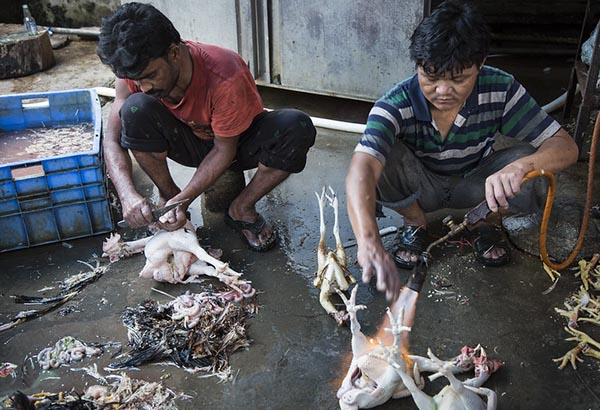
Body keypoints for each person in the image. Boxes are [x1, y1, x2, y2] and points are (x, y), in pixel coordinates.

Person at [345, 0, 579, 301]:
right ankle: (415, 222)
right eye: (430, 77)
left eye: (458, 79)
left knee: (529, 159)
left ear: (480, 64)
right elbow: (360, 170)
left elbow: (565, 146)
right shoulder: (395, 103)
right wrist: (367, 239)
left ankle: (483, 221)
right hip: (421, 187)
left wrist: (520, 167)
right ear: (417, 65)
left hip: (476, 185)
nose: (443, 91)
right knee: (377, 156)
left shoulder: (501, 87)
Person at [97, 2, 316, 252]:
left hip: (234, 144)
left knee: (296, 126)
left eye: (150, 75)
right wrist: (127, 194)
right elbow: (112, 140)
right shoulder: (133, 72)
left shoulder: (224, 75)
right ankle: (170, 196)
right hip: (187, 142)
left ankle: (241, 208)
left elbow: (224, 150)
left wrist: (188, 197)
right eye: (137, 79)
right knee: (134, 109)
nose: (144, 86)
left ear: (174, 53)